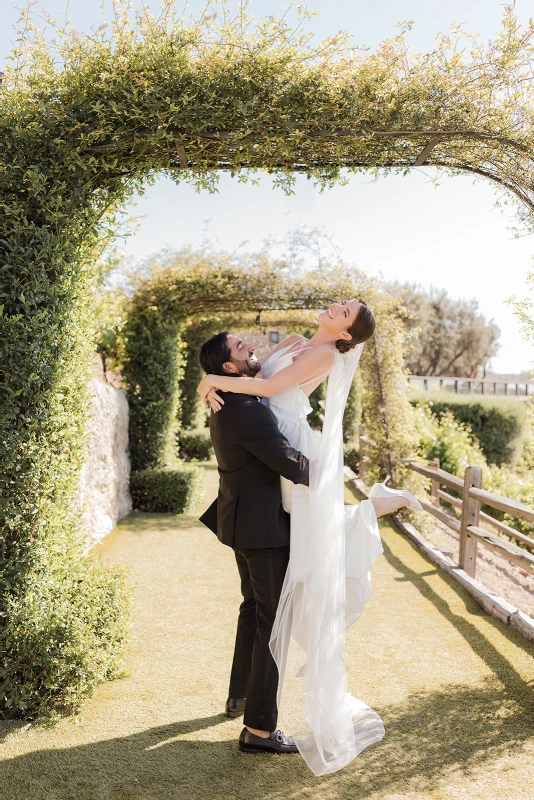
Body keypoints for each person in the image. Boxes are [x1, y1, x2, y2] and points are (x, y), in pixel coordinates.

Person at [197, 300, 421, 776]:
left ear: (346, 330)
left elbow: (268, 386)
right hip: (265, 461)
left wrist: (213, 379)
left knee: (277, 591)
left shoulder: (325, 356)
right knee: (265, 610)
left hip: (283, 443)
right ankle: (250, 711)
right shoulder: (301, 343)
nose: (337, 304)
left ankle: (375, 506)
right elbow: (253, 377)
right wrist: (211, 378)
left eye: (346, 309)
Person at [198, 332, 312, 755]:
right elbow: (289, 462)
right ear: (229, 368)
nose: (251, 348)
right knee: (273, 622)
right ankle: (259, 731)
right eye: (241, 348)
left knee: (254, 609)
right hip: (262, 531)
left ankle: (240, 695)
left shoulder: (229, 395)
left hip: (242, 522)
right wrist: (328, 467)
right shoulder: (244, 408)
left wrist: (206, 382)